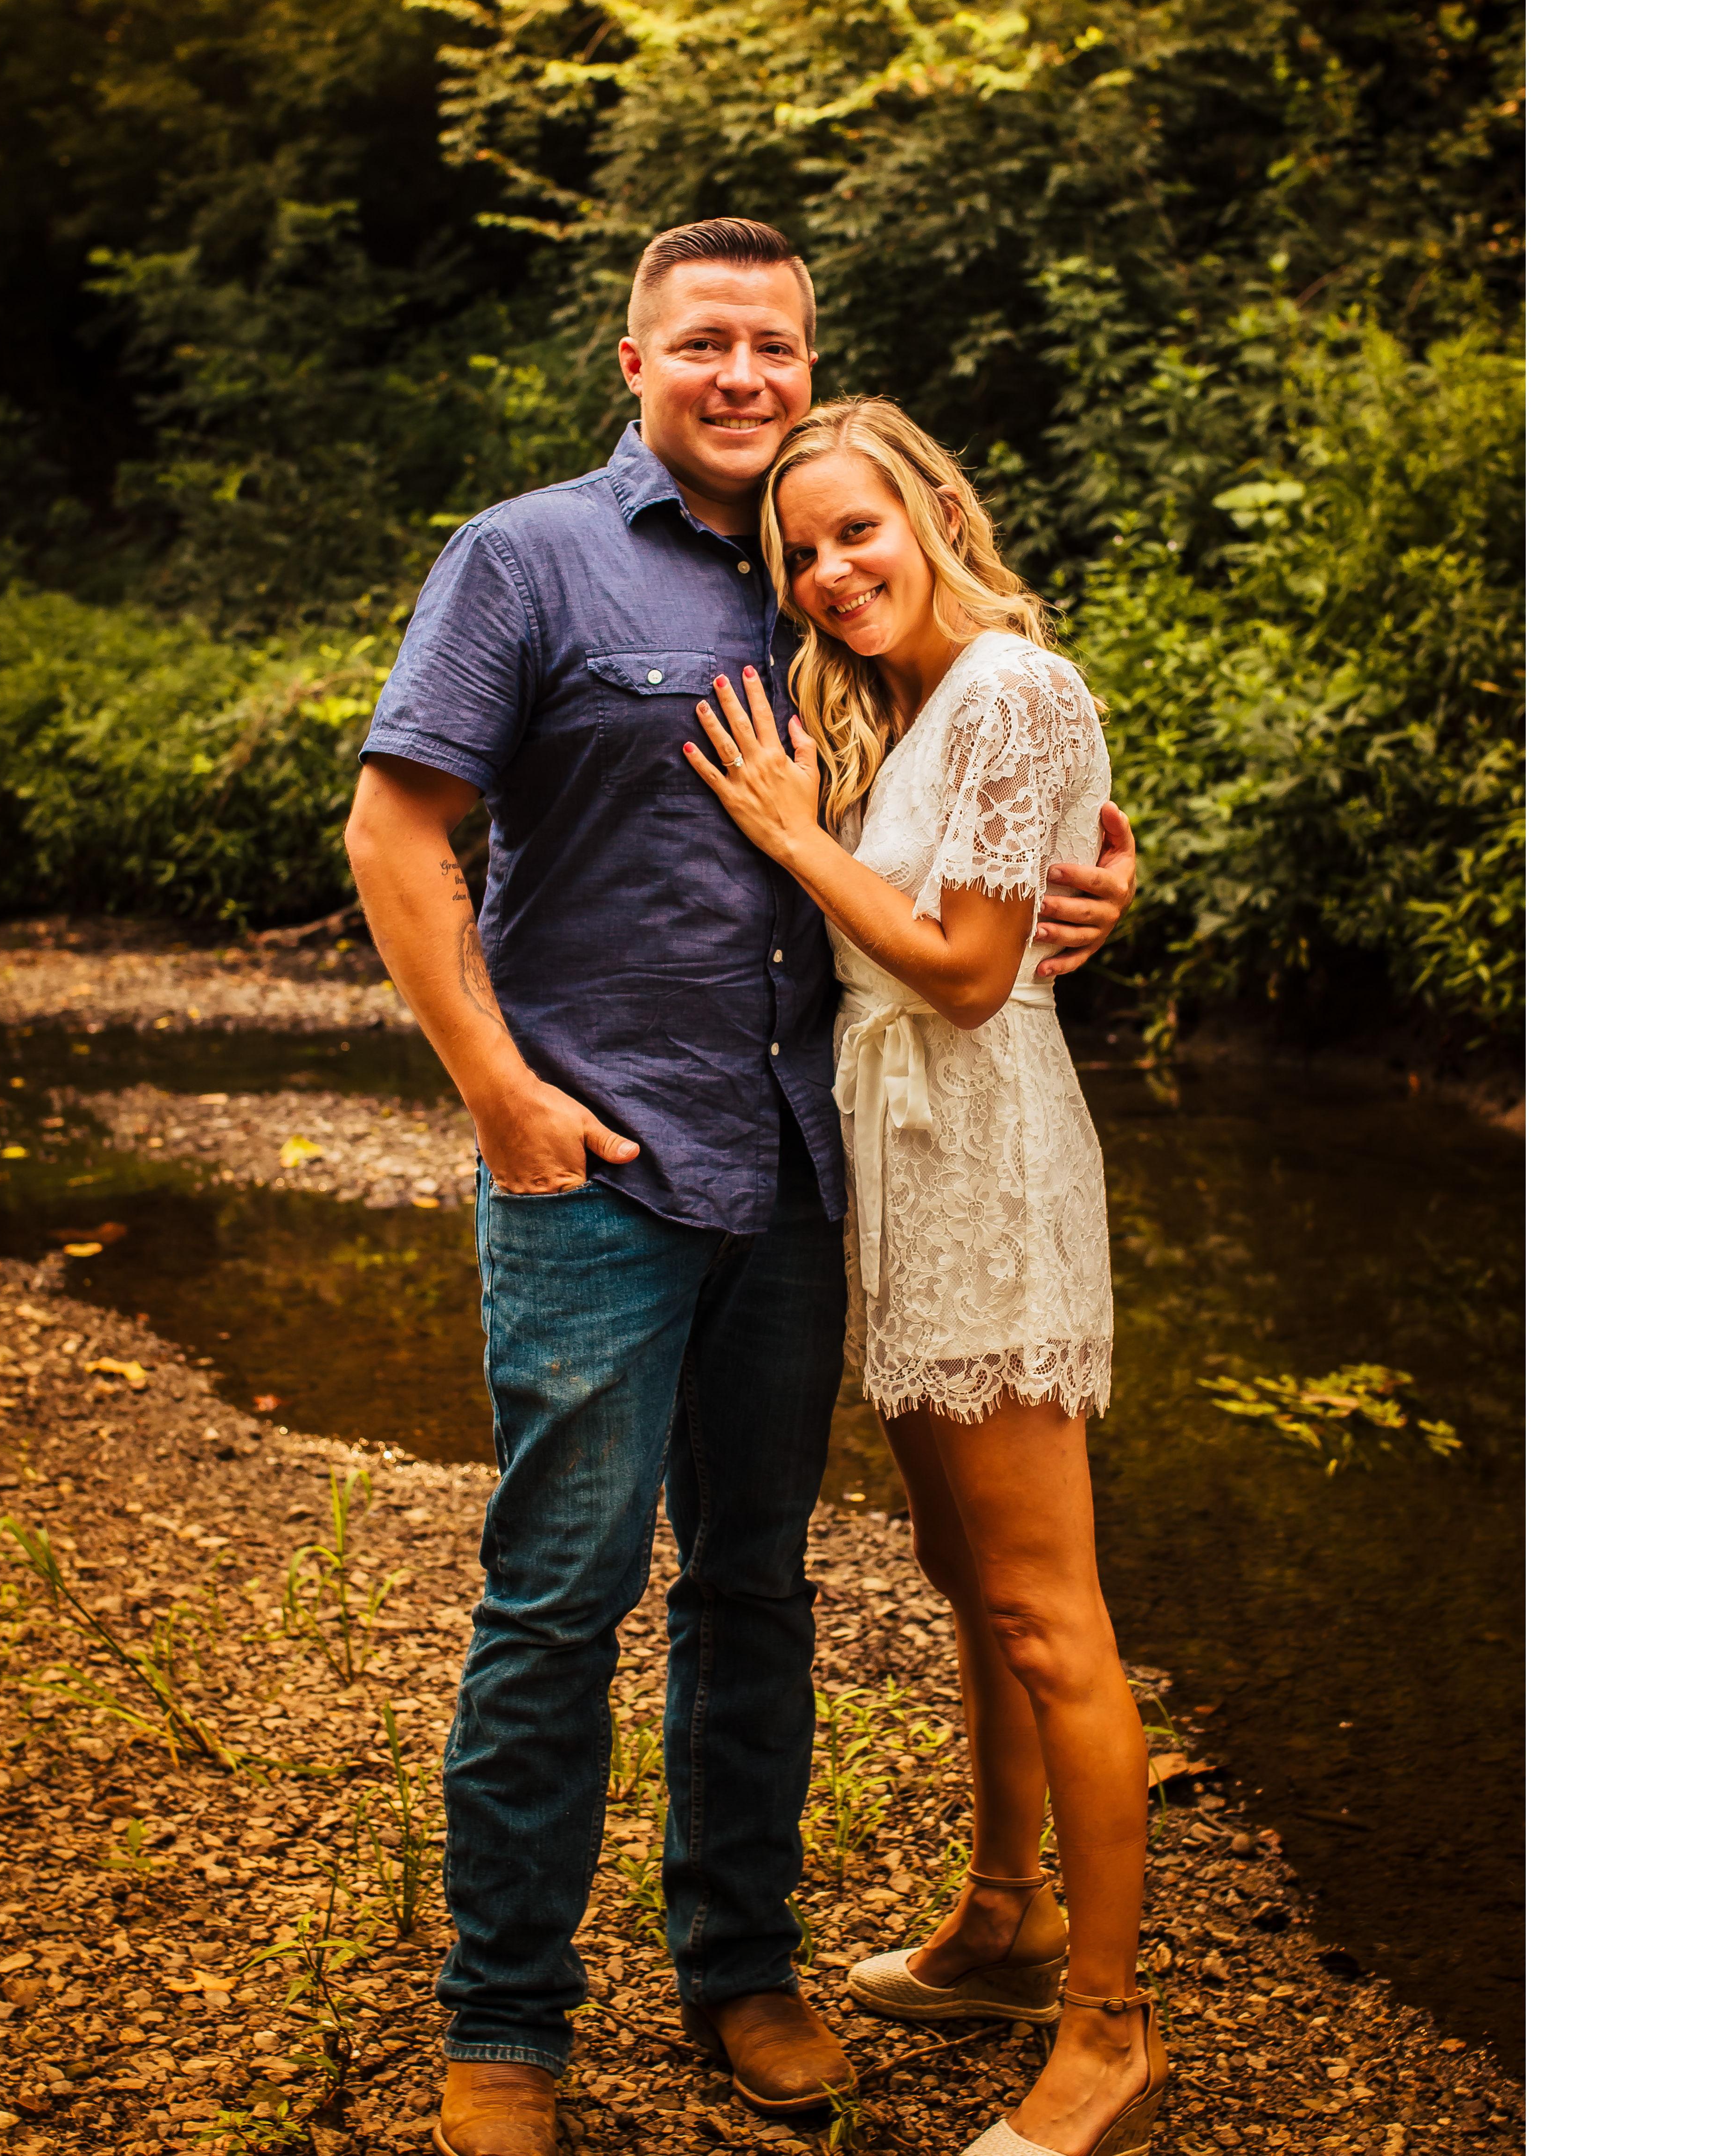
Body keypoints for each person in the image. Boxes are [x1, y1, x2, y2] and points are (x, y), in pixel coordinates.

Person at [343, 218, 1137, 2156]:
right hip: (600, 1156)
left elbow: (976, 803)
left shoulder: (828, 571)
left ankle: (742, 1970)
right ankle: (507, 2021)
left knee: (757, 1588)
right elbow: (395, 830)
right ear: (634, 361)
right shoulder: (526, 557)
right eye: (703, 341)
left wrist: (1091, 890)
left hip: (803, 1170)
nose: (742, 375)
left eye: (773, 343)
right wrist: (502, 1096)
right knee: (558, 1597)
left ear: (811, 361)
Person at [680, 396, 1168, 2156]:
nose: (830, 572)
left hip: (986, 1165)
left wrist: (791, 835)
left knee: (1045, 1607)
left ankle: (1109, 2033)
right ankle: (1006, 1919)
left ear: (938, 515)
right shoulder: (902, 706)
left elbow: (966, 974)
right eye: (801, 551)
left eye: (858, 532)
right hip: (901, 1167)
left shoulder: (1013, 686)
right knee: (971, 1582)